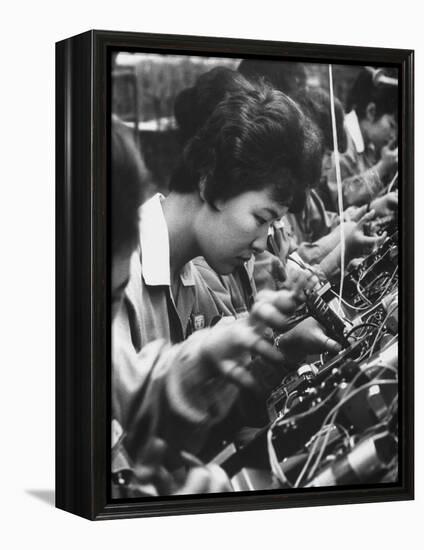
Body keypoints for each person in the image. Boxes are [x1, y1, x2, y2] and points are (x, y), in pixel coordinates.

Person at [110, 118, 318, 494]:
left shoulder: (191, 275)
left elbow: (141, 396)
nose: (262, 243)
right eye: (260, 218)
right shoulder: (115, 271)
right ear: (209, 182)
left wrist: (244, 349)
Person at [322, 66, 398, 210]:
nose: (393, 135)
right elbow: (339, 198)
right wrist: (382, 167)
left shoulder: (368, 143)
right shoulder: (342, 138)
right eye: (392, 125)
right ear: (371, 111)